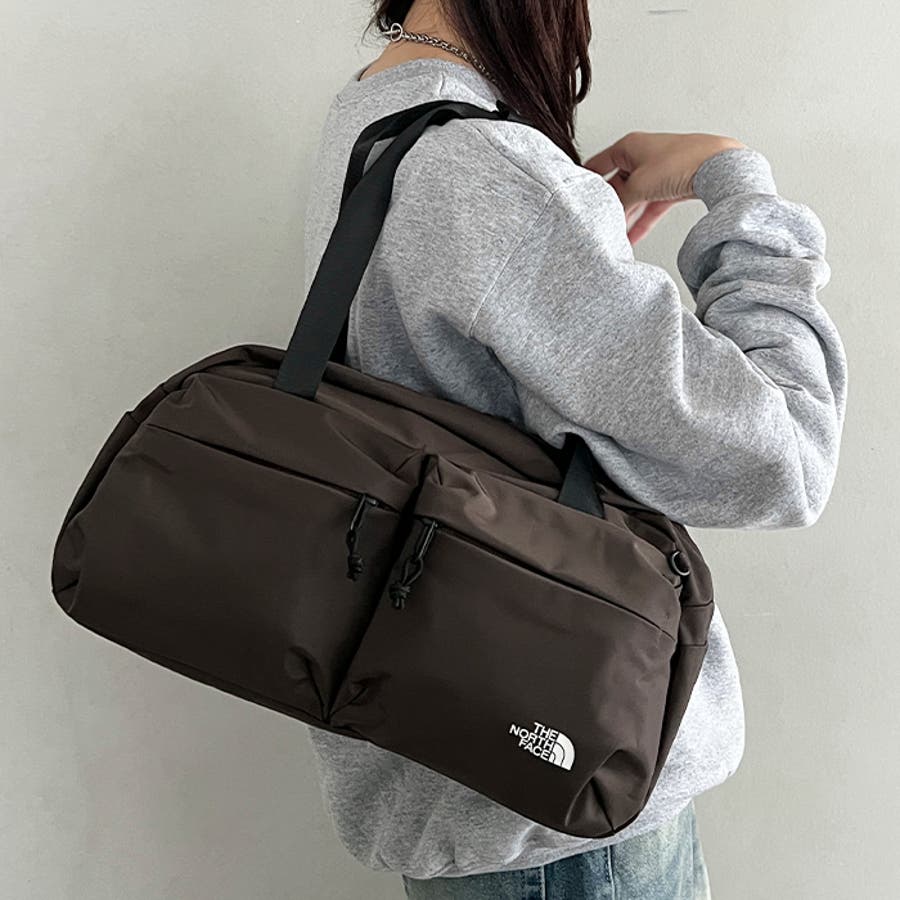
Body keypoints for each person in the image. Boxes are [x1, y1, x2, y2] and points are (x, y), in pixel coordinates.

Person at [300, 1, 848, 897]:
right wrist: (734, 178)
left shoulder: (375, 116)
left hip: (453, 778)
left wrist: (565, 267)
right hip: (567, 817)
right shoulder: (479, 164)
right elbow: (783, 453)